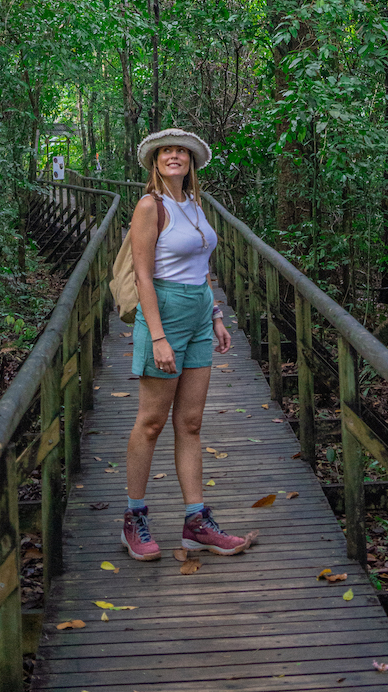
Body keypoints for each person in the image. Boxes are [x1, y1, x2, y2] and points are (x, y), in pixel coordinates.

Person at [121, 128, 252, 561]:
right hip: (164, 312)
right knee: (152, 421)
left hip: (198, 311)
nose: (174, 156)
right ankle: (134, 518)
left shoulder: (194, 204)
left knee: (191, 422)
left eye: (181, 151)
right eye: (166, 151)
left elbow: (202, 264)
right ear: (155, 161)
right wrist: (158, 336)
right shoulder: (149, 206)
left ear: (191, 160)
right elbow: (142, 276)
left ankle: (196, 522)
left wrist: (215, 314)